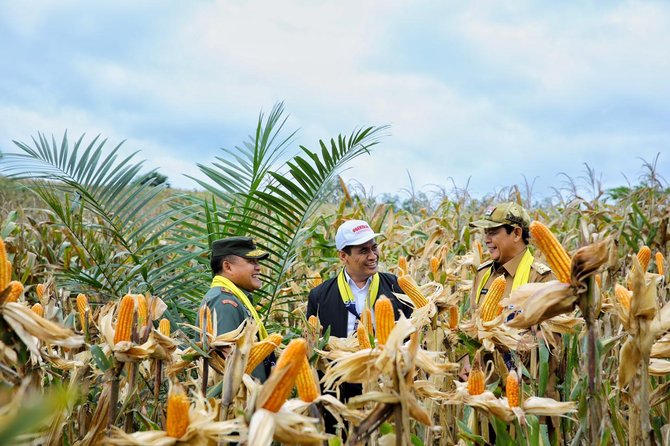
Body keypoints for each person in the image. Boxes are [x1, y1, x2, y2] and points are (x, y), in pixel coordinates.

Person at [306, 219, 412, 435]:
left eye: (374, 248)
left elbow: (414, 333)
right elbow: (313, 349)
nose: (373, 256)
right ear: (343, 256)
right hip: (340, 387)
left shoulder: (396, 286)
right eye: (363, 251)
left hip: (386, 384)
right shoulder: (319, 296)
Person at [202, 236, 273, 382]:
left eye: (257, 262)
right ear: (228, 267)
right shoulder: (224, 303)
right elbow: (229, 364)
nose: (258, 267)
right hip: (240, 401)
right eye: (251, 262)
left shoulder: (236, 298)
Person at [469, 202, 556, 311]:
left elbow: (552, 325)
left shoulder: (541, 278)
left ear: (516, 234)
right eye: (486, 232)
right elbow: (472, 320)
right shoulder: (482, 273)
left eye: (493, 232)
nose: (486, 239)